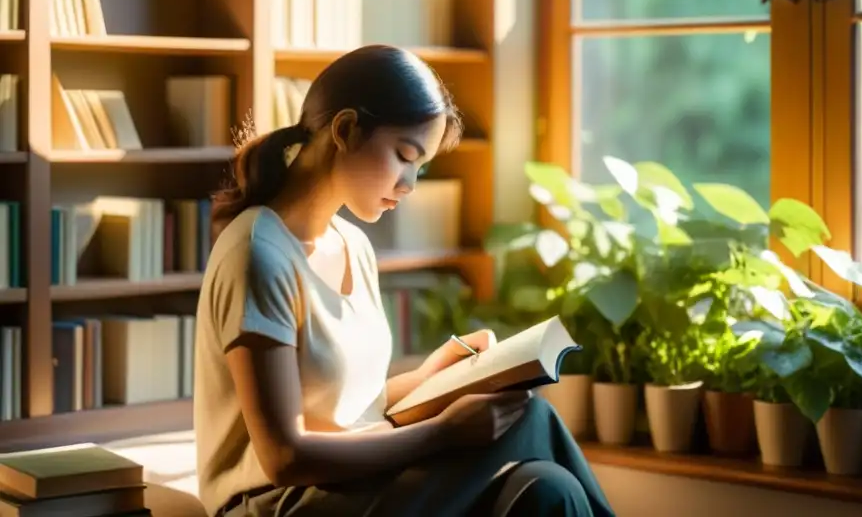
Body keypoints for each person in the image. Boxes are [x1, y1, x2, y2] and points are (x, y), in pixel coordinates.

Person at [193, 45, 615, 517]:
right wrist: (444, 431)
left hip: (356, 484)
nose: (410, 184)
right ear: (347, 130)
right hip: (279, 504)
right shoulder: (258, 254)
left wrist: (432, 378)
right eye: (403, 155)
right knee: (530, 417)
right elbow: (285, 457)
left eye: (421, 167)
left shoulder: (353, 245)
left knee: (547, 489)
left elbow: (343, 407)